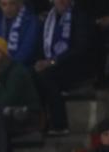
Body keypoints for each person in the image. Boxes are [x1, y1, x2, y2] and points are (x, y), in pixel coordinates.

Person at [34, 0, 94, 135]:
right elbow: (41, 46)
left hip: (76, 66)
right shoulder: (48, 18)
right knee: (32, 73)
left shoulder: (79, 15)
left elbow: (81, 48)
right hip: (54, 65)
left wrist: (53, 62)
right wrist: (40, 62)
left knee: (46, 76)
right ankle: (37, 122)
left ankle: (59, 124)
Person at [0, 0, 39, 66]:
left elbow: (26, 51)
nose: (8, 8)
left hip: (21, 68)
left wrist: (7, 67)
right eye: (4, 4)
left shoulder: (31, 21)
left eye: (12, 3)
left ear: (20, 3)